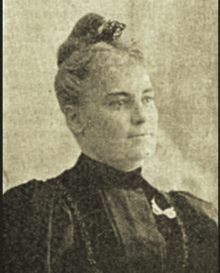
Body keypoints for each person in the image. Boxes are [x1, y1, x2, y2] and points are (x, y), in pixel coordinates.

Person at [3, 13, 218, 273]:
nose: (141, 117)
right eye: (119, 102)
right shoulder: (36, 214)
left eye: (147, 99)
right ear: (75, 117)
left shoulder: (193, 216)